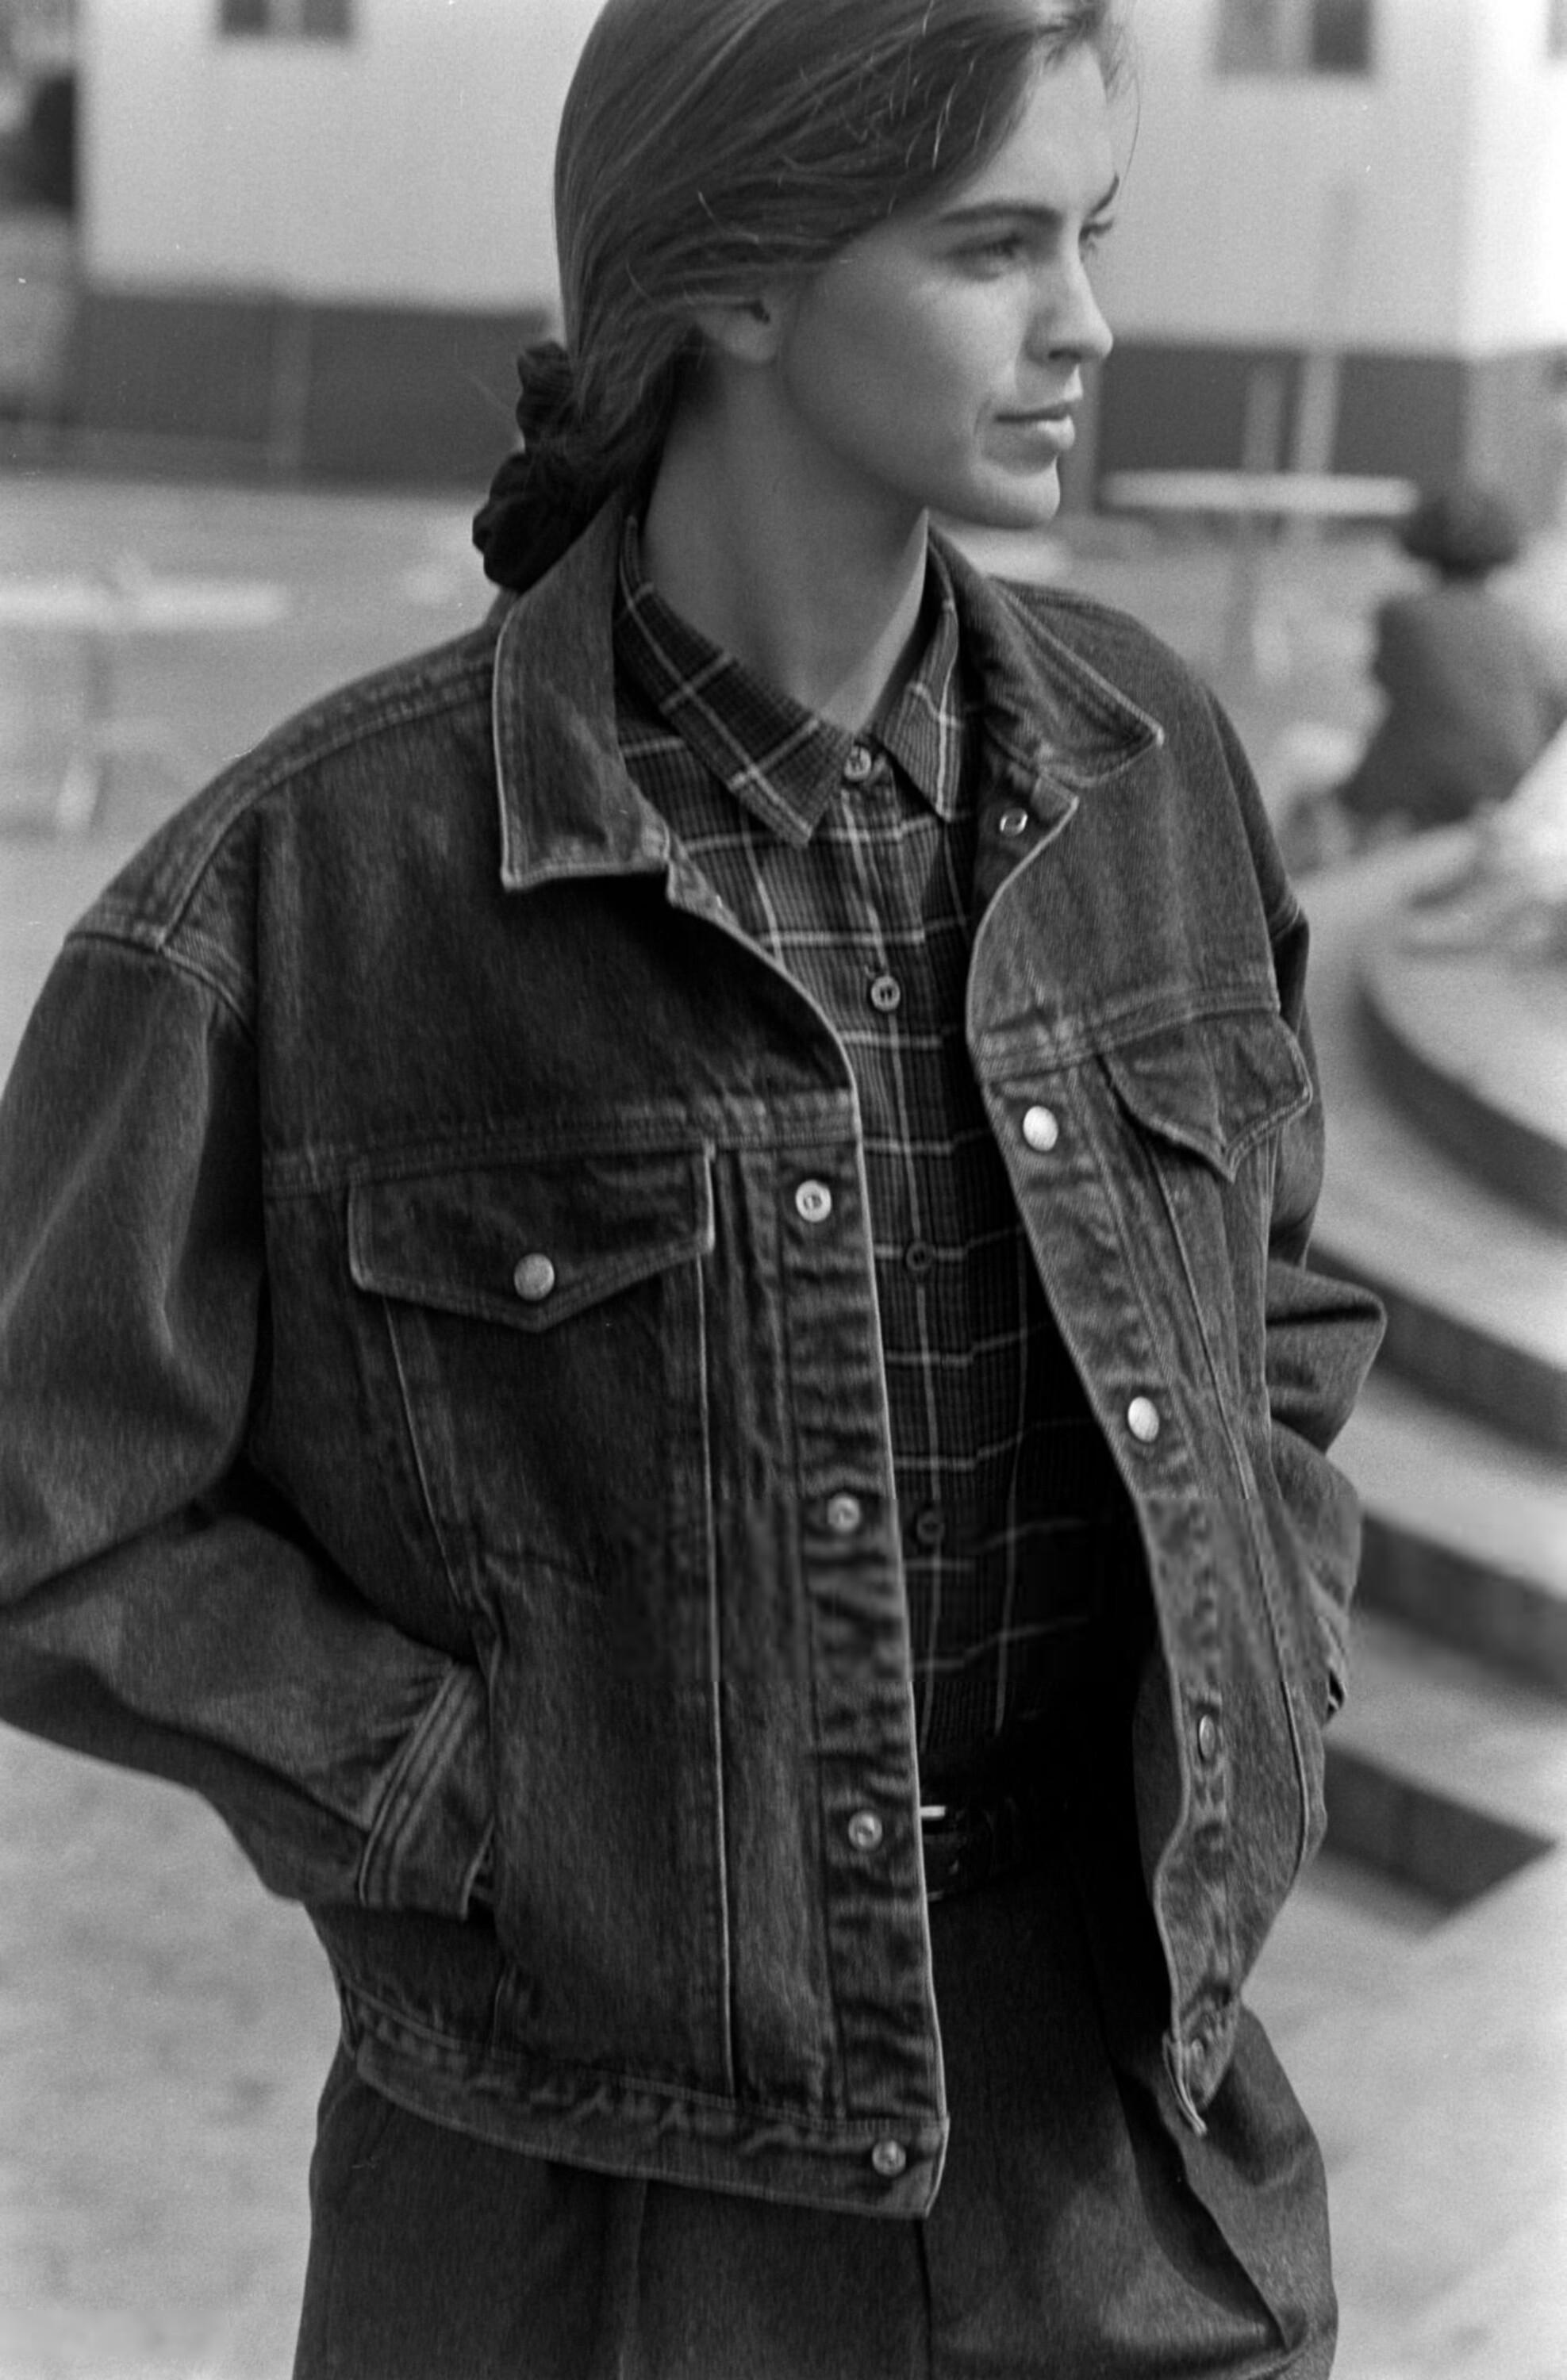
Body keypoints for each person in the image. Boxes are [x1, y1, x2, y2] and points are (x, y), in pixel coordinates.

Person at [0, 2, 1385, 2373]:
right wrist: (476, 1803)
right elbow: (48, 1502)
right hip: (586, 2224)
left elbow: (1278, 1301)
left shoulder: (1150, 768)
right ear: (732, 275)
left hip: (1133, 2184)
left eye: (1092, 234)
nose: (1084, 323)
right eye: (994, 246)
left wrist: (1273, 1631)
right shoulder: (309, 894)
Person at [1281, 480, 1567, 870]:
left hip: (1425, 787)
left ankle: (1239, 875)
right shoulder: (1516, 622)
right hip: (1512, 789)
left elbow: (1399, 697)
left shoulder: (1403, 614)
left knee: (1297, 751)